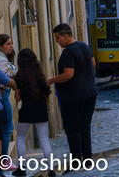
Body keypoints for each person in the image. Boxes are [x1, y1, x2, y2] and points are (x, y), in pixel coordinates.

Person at [46, 25, 97, 168]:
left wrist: (51, 80)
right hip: (90, 93)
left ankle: (76, 161)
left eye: (57, 38)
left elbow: (68, 75)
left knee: (73, 129)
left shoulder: (68, 53)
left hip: (74, 97)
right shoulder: (84, 46)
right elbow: (92, 63)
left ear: (65, 36)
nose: (56, 41)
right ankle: (87, 159)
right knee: (85, 127)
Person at [12, 49, 54, 177]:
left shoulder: (19, 76)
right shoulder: (40, 75)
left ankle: (22, 168)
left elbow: (18, 98)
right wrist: (47, 110)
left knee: (20, 139)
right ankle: (51, 170)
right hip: (41, 111)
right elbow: (46, 95)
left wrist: (15, 89)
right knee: (44, 141)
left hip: (27, 111)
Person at [0, 34, 17, 171]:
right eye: (8, 44)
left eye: (11, 43)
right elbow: (9, 79)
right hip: (3, 96)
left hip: (3, 95)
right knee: (8, 127)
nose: (11, 46)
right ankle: (3, 160)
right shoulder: (0, 61)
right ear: (0, 46)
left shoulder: (2, 58)